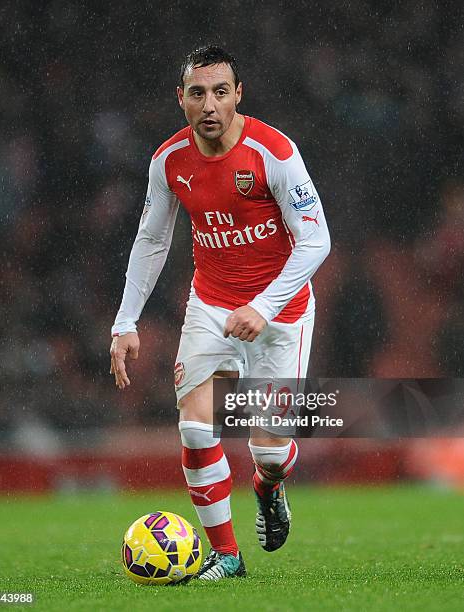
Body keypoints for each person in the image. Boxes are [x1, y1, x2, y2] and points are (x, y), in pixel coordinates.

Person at [110, 45, 330, 581]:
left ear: (238, 96)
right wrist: (125, 320)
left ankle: (269, 485)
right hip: (209, 307)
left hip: (281, 315)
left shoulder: (273, 152)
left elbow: (316, 239)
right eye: (197, 92)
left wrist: (263, 305)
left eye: (220, 91)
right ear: (181, 99)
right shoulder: (169, 161)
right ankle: (227, 557)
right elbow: (151, 239)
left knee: (267, 448)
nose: (209, 104)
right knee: (196, 427)